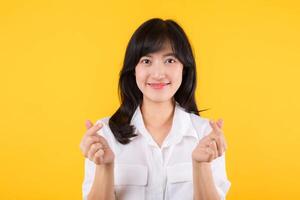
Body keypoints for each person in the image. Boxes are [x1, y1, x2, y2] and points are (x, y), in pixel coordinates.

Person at [79, 18, 231, 200]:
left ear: (184, 68)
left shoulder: (206, 135)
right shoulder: (105, 135)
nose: (158, 74)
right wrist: (105, 166)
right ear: (133, 69)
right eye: (146, 61)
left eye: (170, 60)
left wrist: (201, 166)